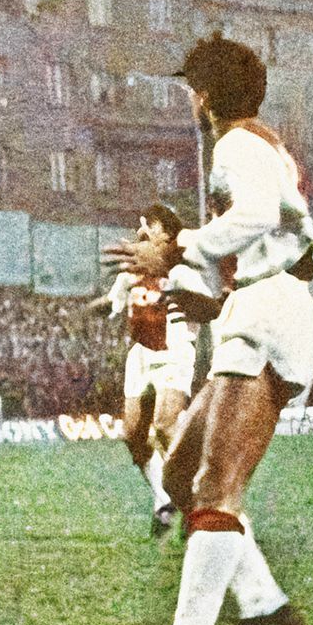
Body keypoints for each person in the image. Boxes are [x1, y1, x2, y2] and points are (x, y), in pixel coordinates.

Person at [108, 35, 313, 625]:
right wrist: (201, 284)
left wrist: (176, 248)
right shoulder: (260, 143)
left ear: (203, 95)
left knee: (213, 486)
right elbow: (270, 229)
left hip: (269, 309)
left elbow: (256, 218)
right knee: (177, 473)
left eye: (190, 91)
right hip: (256, 306)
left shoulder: (234, 145)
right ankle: (262, 608)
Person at [88, 203, 214, 535]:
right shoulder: (129, 274)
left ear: (169, 237)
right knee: (133, 436)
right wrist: (87, 308)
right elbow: (112, 304)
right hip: (140, 355)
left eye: (154, 227)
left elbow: (208, 308)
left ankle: (199, 501)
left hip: (174, 353)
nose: (144, 231)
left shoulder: (182, 273)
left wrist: (186, 301)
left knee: (165, 425)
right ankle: (163, 500)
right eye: (144, 226)